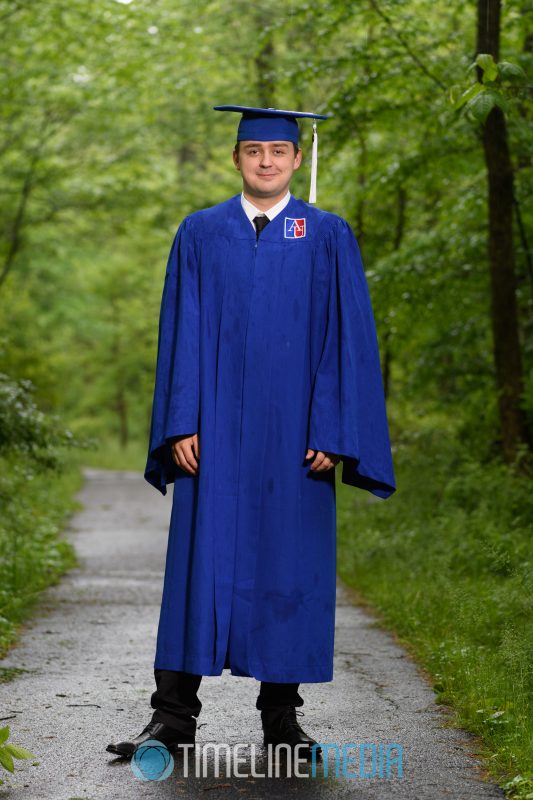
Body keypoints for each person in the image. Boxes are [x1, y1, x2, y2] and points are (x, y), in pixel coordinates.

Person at [106, 105, 396, 762]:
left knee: (288, 567)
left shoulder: (325, 235)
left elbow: (344, 341)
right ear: (236, 158)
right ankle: (172, 719)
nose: (265, 160)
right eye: (253, 150)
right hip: (215, 439)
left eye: (277, 150)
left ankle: (281, 721)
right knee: (197, 569)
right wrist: (181, 419)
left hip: (296, 440)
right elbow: (180, 329)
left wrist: (333, 430)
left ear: (296, 159)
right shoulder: (200, 233)